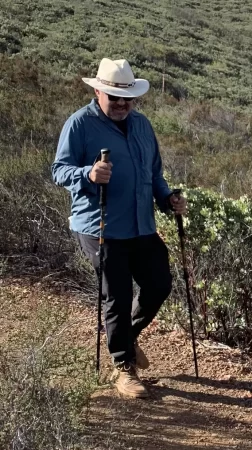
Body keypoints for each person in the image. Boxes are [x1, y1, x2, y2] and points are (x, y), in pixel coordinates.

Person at [51, 58, 186, 399]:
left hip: (141, 223)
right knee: (118, 293)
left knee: (159, 283)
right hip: (100, 224)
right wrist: (87, 174)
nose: (122, 104)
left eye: (128, 98)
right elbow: (59, 170)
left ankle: (126, 336)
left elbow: (153, 173)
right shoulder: (79, 124)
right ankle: (124, 369)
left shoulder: (142, 125)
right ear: (98, 91)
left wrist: (167, 199)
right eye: (114, 97)